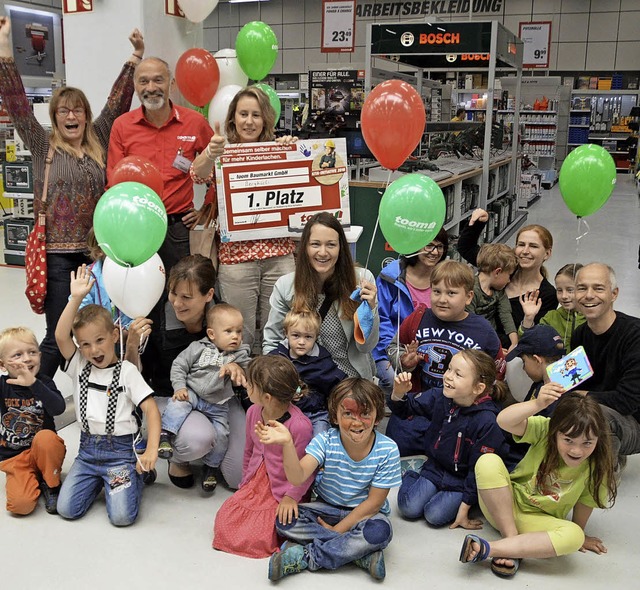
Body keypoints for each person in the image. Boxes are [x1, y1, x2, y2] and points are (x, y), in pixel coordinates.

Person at [0, 18, 144, 378]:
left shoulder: (97, 138)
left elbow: (117, 102)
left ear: (85, 114)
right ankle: (35, 395)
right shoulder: (41, 144)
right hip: (58, 256)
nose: (71, 115)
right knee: (57, 332)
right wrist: (5, 47)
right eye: (63, 110)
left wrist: (135, 59)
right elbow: (17, 104)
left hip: (98, 253)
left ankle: (98, 386)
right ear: (54, 117)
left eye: (77, 109)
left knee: (100, 327)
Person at [460, 390, 617, 578]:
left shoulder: (597, 465)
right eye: (568, 440)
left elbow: (586, 502)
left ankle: (488, 548)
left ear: (598, 439)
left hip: (536, 523)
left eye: (587, 443)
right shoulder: (545, 431)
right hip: (501, 506)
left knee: (575, 536)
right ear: (555, 431)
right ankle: (511, 542)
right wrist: (537, 405)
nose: (577, 450)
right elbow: (504, 421)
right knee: (487, 461)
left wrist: (580, 533)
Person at [257, 378, 401, 581]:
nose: (357, 421)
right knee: (284, 521)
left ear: (378, 418)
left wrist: (337, 529)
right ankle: (359, 555)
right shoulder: (325, 441)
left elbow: (373, 503)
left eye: (365, 413)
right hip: (325, 508)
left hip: (364, 514)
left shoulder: (388, 450)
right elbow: (297, 477)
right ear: (335, 416)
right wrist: (287, 444)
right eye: (348, 413)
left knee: (380, 532)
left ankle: (306, 557)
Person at [125, 254, 247, 490]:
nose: (177, 303)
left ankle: (212, 463)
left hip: (219, 397)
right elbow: (134, 378)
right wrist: (132, 345)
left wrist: (238, 369)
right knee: (197, 440)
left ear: (209, 295)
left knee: (237, 477)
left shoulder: (225, 317)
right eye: (173, 294)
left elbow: (244, 356)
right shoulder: (156, 318)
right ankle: (178, 458)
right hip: (172, 396)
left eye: (187, 297)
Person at [54, 266, 160, 526]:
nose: (93, 349)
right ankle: (100, 482)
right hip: (87, 453)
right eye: (86, 344)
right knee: (67, 509)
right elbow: (59, 335)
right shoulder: (79, 364)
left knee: (122, 518)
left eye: (100, 340)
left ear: (115, 336)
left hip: (120, 454)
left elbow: (151, 410)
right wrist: (76, 298)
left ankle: (135, 476)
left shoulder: (127, 371)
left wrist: (152, 450)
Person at [107, 56, 225, 275]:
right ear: (135, 86)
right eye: (143, 81)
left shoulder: (194, 122)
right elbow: (113, 182)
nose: (151, 88)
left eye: (158, 80)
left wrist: (208, 206)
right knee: (142, 296)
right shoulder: (122, 127)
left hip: (177, 229)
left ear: (171, 84)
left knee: (178, 296)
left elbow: (221, 167)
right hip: (135, 228)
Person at [386, 260, 504, 456]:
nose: (442, 299)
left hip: (459, 414)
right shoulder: (418, 318)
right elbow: (393, 347)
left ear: (468, 297)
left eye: (451, 293)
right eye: (436, 291)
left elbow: (496, 372)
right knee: (399, 450)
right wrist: (403, 361)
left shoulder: (482, 331)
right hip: (417, 406)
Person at [216, 87, 298, 354]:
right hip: (237, 260)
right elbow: (197, 173)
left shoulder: (280, 149)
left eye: (256, 115)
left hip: (279, 256)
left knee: (278, 330)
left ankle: (273, 385)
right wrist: (210, 152)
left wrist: (292, 151)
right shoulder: (222, 154)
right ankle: (243, 390)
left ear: (265, 120)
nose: (249, 121)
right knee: (240, 334)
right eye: (243, 114)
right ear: (233, 119)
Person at [390, 350, 509, 528]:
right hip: (434, 468)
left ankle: (465, 501)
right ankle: (412, 475)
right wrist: (398, 394)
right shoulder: (441, 396)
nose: (448, 377)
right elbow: (407, 409)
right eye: (449, 369)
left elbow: (478, 471)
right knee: (409, 508)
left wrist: (465, 507)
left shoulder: (488, 421)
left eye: (458, 374)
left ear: (478, 388)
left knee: (434, 516)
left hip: (461, 481)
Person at [213, 356, 314, 558]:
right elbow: (249, 450)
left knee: (262, 534)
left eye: (251, 384)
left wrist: (290, 497)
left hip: (283, 488)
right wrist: (245, 482)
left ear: (267, 397)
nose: (246, 387)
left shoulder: (300, 425)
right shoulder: (252, 411)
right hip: (256, 481)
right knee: (224, 520)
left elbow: (306, 473)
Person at [263, 212, 379, 381]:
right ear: (305, 248)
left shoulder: (362, 281)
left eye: (331, 245)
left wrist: (372, 310)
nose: (323, 252)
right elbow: (272, 343)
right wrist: (280, 382)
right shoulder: (285, 286)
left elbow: (366, 347)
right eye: (315, 244)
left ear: (341, 248)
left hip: (349, 378)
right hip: (303, 378)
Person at [159, 303, 250, 492]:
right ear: (211, 334)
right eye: (229, 331)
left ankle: (211, 467)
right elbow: (179, 366)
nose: (235, 336)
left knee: (222, 435)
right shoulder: (197, 348)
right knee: (178, 405)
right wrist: (179, 387)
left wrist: (240, 369)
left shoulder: (240, 354)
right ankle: (166, 435)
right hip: (193, 392)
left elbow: (250, 374)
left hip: (219, 403)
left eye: (239, 331)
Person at [571, 263, 640, 460]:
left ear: (614, 294)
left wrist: (579, 394)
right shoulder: (579, 335)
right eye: (582, 288)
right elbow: (577, 381)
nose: (589, 295)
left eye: (598, 288)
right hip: (602, 408)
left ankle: (602, 477)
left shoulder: (634, 336)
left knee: (597, 417)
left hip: (634, 421)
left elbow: (627, 401)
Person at [458, 210, 557, 345]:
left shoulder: (547, 294)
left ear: (547, 253)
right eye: (521, 244)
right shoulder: (501, 267)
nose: (525, 251)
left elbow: (535, 336)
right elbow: (466, 248)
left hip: (510, 353)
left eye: (533, 246)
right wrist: (479, 223)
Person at [0, 327, 66, 515]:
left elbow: (58, 408)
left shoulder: (44, 382)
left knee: (46, 437)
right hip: (15, 457)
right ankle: (31, 477)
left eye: (32, 352)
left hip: (44, 451)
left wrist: (34, 384)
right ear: (3, 365)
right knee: (20, 506)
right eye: (17, 355)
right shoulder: (3, 386)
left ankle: (52, 484)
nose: (27, 358)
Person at [375, 228, 449, 393]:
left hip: (432, 350)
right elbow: (381, 319)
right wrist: (396, 355)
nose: (435, 252)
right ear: (415, 245)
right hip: (391, 349)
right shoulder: (391, 277)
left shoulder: (446, 277)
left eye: (440, 247)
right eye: (429, 246)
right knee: (396, 382)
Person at [268, 310, 346, 435]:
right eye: (296, 335)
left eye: (308, 337)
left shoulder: (322, 361)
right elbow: (263, 381)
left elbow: (339, 386)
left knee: (320, 441)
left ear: (316, 336)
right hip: (283, 411)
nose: (301, 342)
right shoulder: (276, 357)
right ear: (286, 334)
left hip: (314, 413)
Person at [504, 325, 566, 461]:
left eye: (524, 361)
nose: (524, 368)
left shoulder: (555, 399)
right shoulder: (541, 384)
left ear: (537, 360)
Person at [519, 263, 586, 351]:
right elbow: (529, 343)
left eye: (570, 290)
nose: (564, 296)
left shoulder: (594, 318)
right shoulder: (551, 317)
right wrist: (528, 318)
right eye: (559, 290)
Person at [466, 242, 519, 352]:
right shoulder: (471, 289)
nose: (509, 280)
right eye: (509, 275)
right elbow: (469, 323)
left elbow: (505, 314)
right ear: (498, 272)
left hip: (492, 336)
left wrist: (514, 342)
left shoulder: (499, 291)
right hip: (473, 337)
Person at [79, 229, 134, 331]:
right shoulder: (88, 276)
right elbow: (80, 314)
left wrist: (127, 331)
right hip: (97, 336)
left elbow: (139, 310)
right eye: (116, 243)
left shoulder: (134, 272)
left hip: (129, 337)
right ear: (99, 251)